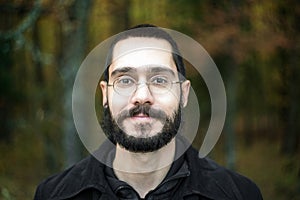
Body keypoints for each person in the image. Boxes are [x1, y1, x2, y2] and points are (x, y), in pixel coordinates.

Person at [34, 24, 263, 200]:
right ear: (105, 94)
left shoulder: (239, 194)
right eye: (125, 80)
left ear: (184, 95)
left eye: (160, 80)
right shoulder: (54, 195)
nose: (142, 96)